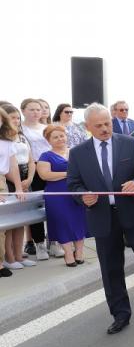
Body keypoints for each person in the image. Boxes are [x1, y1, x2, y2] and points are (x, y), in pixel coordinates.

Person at [67, 104, 134, 334]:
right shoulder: (78, 153)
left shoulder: (129, 143)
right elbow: (73, 184)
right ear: (88, 126)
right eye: (99, 125)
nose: (105, 129)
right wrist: (82, 196)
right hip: (102, 218)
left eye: (108, 123)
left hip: (133, 215)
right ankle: (120, 315)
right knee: (111, 269)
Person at [36, 125, 88, 267]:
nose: (60, 139)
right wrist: (68, 174)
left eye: (62, 136)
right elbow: (45, 175)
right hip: (57, 195)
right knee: (62, 223)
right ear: (49, 140)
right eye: (55, 137)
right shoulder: (45, 156)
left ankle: (79, 253)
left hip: (77, 192)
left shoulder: (75, 152)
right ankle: (68, 254)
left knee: (79, 222)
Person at [1, 103, 36, 270]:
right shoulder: (5, 138)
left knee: (21, 220)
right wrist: (16, 184)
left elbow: (29, 160)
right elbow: (7, 165)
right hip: (8, 180)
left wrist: (27, 180)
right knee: (9, 223)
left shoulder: (20, 137)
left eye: (17, 118)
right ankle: (9, 257)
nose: (16, 120)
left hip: (22, 179)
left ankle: (18, 255)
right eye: (12, 118)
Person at [20, 98, 51, 260]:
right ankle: (39, 243)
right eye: (31, 109)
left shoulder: (47, 128)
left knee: (53, 204)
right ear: (23, 111)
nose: (36, 112)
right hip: (32, 169)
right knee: (35, 206)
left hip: (50, 167)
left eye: (38, 109)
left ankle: (55, 241)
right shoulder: (20, 129)